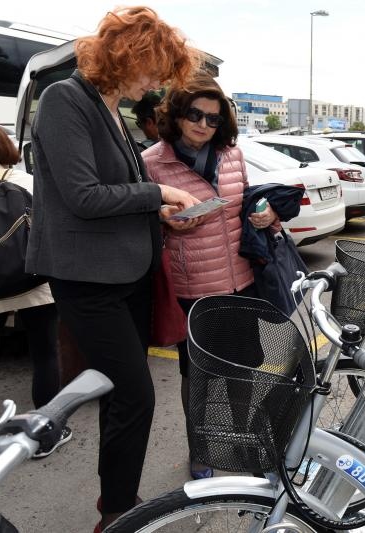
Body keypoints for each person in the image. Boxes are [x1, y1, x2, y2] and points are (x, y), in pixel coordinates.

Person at [24, 7, 201, 531]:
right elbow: (83, 195)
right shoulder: (65, 99)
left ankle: (118, 500)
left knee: (125, 397)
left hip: (125, 274)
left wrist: (162, 215)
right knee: (135, 395)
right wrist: (157, 192)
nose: (155, 84)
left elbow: (112, 196)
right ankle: (119, 513)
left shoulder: (108, 108)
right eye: (153, 69)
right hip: (89, 279)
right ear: (127, 56)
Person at [142, 74, 279, 479]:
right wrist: (165, 221)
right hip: (192, 288)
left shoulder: (232, 155)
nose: (203, 125)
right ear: (177, 115)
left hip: (240, 279)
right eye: (195, 115)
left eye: (214, 119)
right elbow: (142, 221)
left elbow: (250, 201)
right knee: (197, 375)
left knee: (244, 370)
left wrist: (267, 215)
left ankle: (243, 441)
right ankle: (200, 451)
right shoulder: (152, 162)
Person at [0, 122, 69, 458]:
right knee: (45, 352)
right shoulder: (26, 182)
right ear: (5, 148)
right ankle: (44, 435)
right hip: (34, 280)